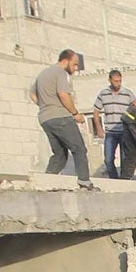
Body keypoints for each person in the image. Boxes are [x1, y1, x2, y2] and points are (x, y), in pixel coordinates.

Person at [32, 48, 94, 186]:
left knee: (59, 154)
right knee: (79, 149)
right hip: (61, 117)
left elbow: (33, 95)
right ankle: (84, 182)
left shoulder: (43, 73)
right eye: (75, 64)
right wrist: (75, 114)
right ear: (65, 61)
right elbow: (63, 94)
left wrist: (46, 105)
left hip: (45, 118)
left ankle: (46, 181)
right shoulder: (60, 73)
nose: (76, 68)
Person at [93, 71, 136, 179]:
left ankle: (123, 181)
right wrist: (98, 128)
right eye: (115, 81)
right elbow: (96, 111)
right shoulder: (103, 94)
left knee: (124, 158)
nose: (118, 83)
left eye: (120, 81)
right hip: (110, 132)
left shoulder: (127, 94)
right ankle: (114, 179)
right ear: (110, 80)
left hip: (124, 131)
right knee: (108, 159)